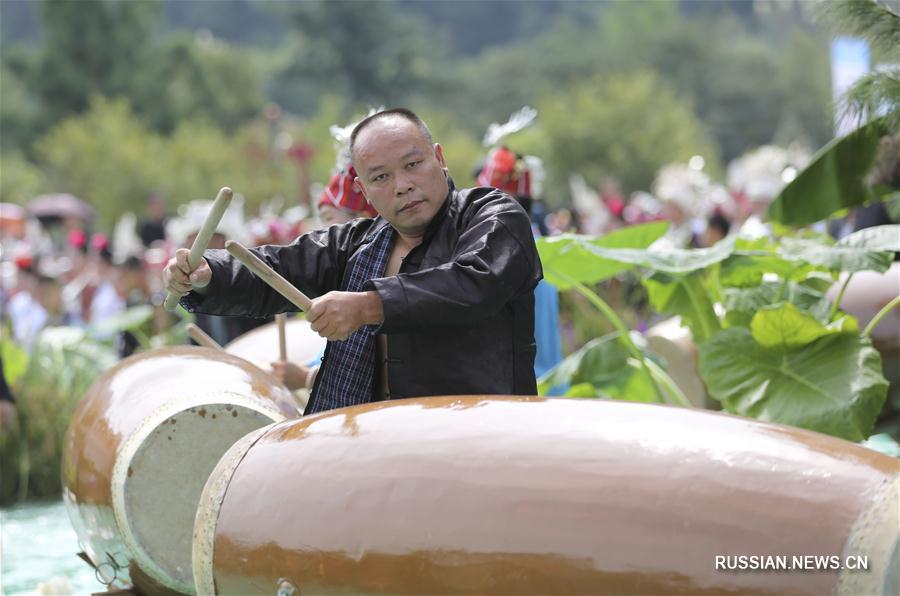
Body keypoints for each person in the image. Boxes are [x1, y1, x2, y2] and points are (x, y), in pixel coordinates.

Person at [164, 108, 542, 414]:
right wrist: (207, 274)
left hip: (484, 437)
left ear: (439, 158)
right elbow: (282, 266)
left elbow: (473, 285)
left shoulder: (492, 215)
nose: (402, 185)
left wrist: (368, 306)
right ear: (364, 189)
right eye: (381, 177)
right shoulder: (358, 243)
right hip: (377, 449)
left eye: (413, 165)